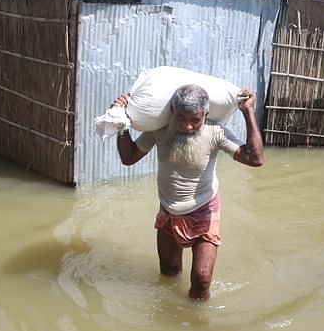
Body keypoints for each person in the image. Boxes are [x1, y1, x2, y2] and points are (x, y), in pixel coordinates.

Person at [112, 84, 263, 301]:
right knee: (168, 274)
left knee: (201, 280)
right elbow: (129, 157)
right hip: (169, 210)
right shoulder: (160, 129)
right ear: (172, 112)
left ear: (206, 115)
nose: (187, 126)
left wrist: (248, 111)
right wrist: (120, 121)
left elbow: (255, 159)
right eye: (181, 117)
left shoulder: (215, 133)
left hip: (204, 210)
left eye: (195, 120)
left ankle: (196, 327)